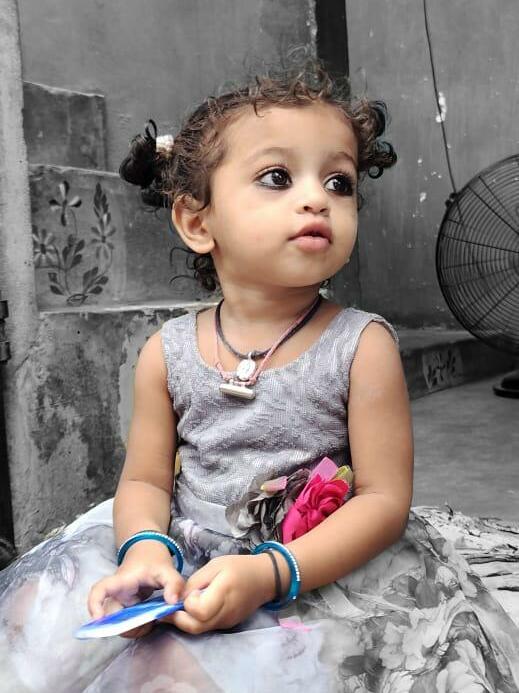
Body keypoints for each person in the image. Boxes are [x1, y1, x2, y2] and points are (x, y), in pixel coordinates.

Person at [1, 57, 519, 693]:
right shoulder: (167, 352)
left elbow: (384, 500)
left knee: (197, 674)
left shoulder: (361, 346)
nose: (317, 198)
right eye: (278, 176)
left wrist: (272, 574)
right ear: (198, 222)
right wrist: (144, 550)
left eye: (339, 182)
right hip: (188, 551)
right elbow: (143, 479)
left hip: (310, 562)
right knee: (37, 614)